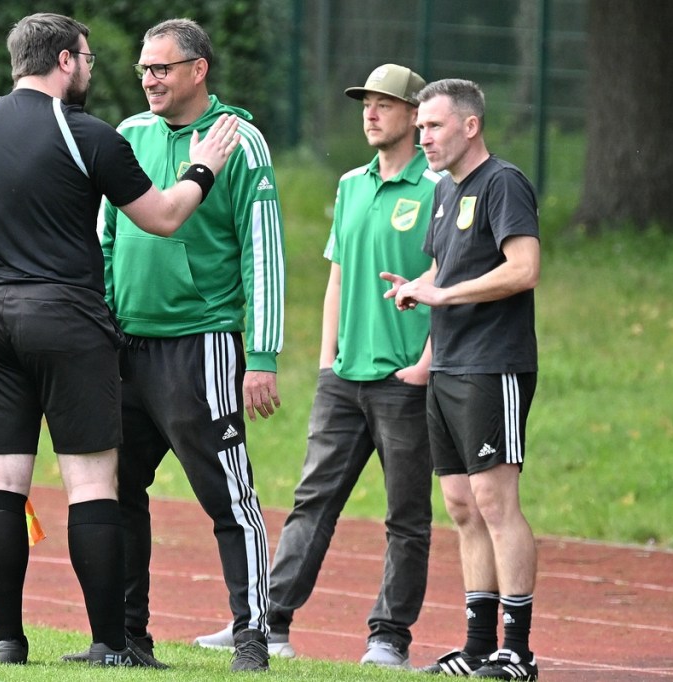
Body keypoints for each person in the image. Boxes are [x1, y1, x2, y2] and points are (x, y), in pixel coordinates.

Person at [0, 12, 240, 667]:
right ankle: (110, 643)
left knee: (2, 478)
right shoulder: (87, 134)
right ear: (66, 61)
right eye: (89, 59)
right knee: (92, 482)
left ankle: (7, 642)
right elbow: (162, 218)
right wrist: (203, 167)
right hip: (64, 320)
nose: (92, 71)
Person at [195, 63, 437, 668]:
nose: (371, 113)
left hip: (405, 380)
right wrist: (328, 363)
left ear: (415, 115)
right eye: (366, 103)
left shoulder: (438, 188)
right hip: (344, 379)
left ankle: (389, 638)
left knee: (406, 516)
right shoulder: (351, 183)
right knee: (312, 502)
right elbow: (337, 277)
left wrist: (425, 364)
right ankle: (269, 622)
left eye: (385, 104)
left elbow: (450, 279)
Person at [98, 18, 286, 673]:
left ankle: (252, 637)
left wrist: (261, 357)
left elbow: (264, 252)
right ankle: (127, 639)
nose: (149, 79)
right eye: (144, 69)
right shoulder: (128, 134)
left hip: (199, 345)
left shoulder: (240, 141)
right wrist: (101, 324)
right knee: (117, 491)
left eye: (162, 68)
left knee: (228, 497)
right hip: (126, 347)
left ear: (198, 70)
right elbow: (106, 238)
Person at [381, 78, 541, 681]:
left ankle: (517, 653)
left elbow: (524, 269)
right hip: (448, 366)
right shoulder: (445, 189)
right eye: (420, 126)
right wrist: (418, 290)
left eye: (433, 126)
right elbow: (441, 270)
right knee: (460, 506)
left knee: (496, 503)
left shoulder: (503, 182)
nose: (422, 136)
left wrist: (442, 294)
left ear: (470, 126)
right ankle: (477, 648)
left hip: (492, 365)